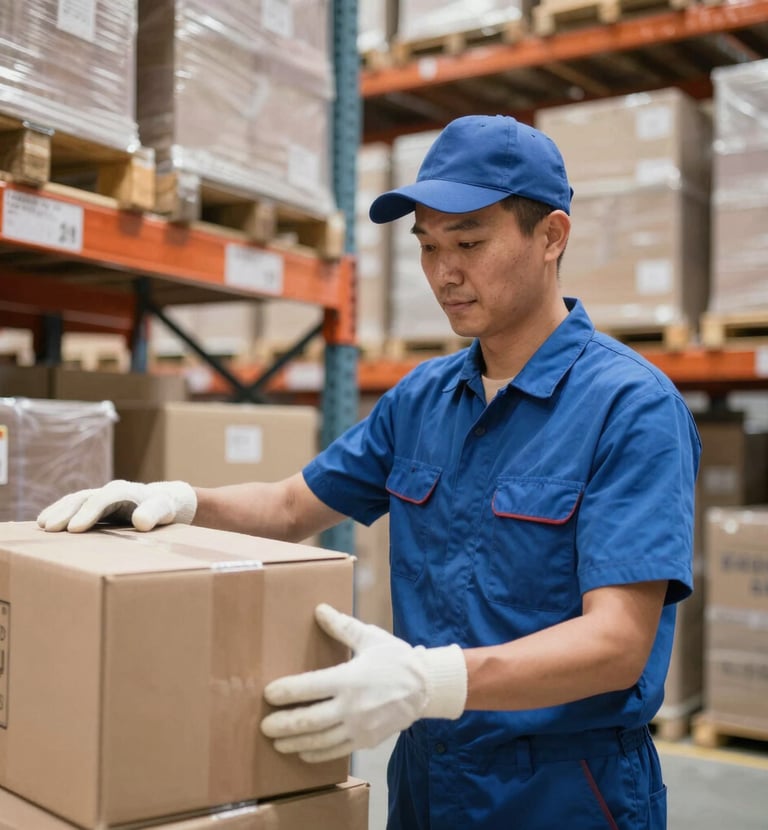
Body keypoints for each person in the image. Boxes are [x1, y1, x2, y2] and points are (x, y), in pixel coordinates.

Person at [37, 114, 700, 830]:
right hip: (427, 779)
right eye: (428, 246)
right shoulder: (422, 400)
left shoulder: (630, 408)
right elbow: (291, 507)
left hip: (563, 794)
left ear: (552, 236)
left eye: (469, 243)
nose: (444, 273)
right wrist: (176, 500)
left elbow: (616, 645)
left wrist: (427, 680)